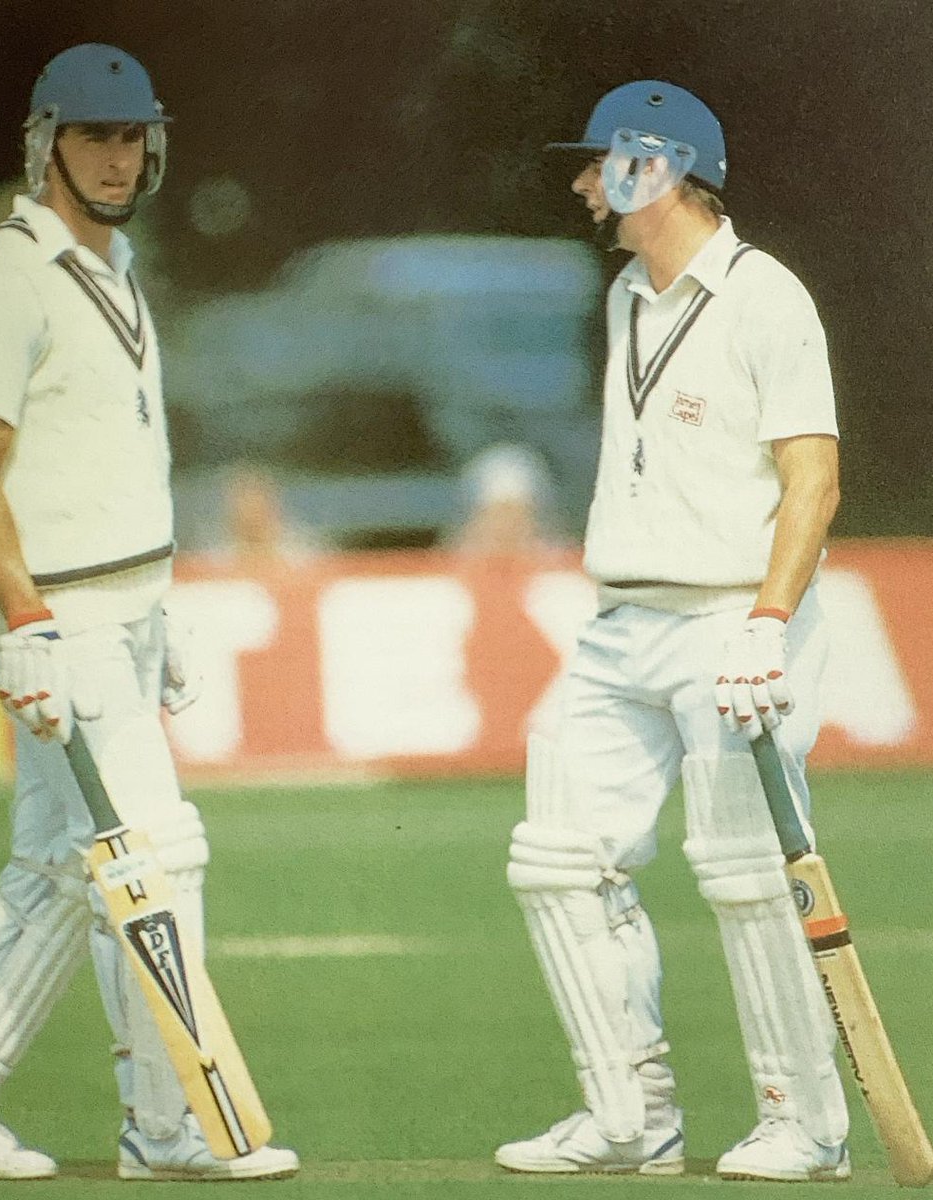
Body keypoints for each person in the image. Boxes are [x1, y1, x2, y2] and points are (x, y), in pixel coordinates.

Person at [0, 44, 299, 1182]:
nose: (114, 156)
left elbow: (111, 457)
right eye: (93, 136)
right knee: (157, 857)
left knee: (54, 866)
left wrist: (158, 606)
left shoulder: (118, 262)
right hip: (59, 620)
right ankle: (166, 1128)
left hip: (121, 608)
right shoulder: (11, 273)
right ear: (47, 143)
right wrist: (30, 627)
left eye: (130, 136)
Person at [495, 80, 847, 1182]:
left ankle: (805, 1125)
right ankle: (625, 1115)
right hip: (620, 622)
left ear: (657, 164)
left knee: (744, 875)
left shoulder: (764, 296)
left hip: (733, 623)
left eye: (599, 161)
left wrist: (764, 623)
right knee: (555, 860)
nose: (581, 183)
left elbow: (813, 479)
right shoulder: (625, 300)